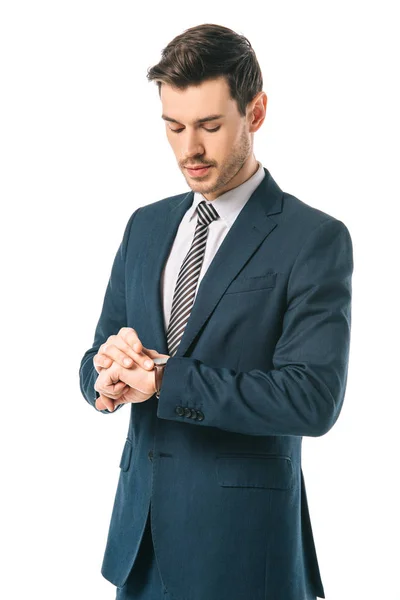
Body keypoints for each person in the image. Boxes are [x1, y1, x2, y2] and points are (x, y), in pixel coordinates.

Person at [79, 22, 353, 600]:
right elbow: (95, 355)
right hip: (141, 545)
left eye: (208, 126)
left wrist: (165, 380)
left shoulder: (313, 238)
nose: (189, 149)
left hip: (243, 553)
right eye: (173, 127)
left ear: (255, 113)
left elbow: (313, 399)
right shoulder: (145, 225)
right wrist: (105, 376)